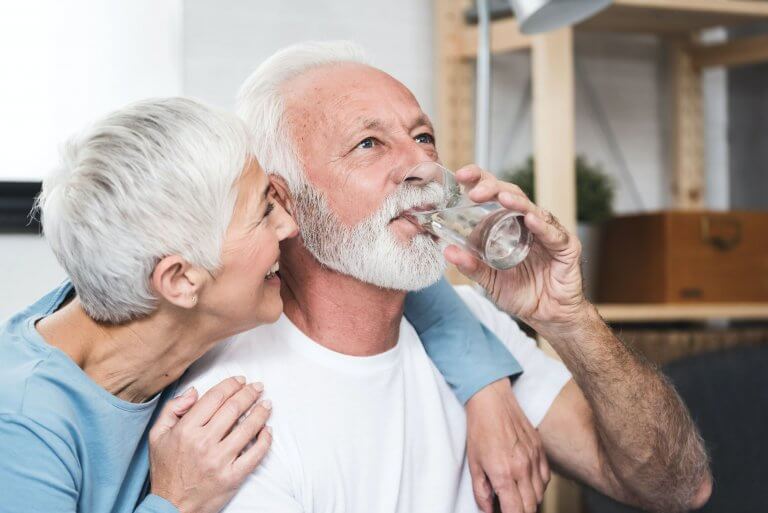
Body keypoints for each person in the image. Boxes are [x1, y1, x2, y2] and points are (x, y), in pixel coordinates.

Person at [182, 41, 712, 513]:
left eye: (423, 136)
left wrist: (568, 320)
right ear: (284, 200)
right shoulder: (231, 413)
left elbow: (677, 489)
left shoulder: (476, 328)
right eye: (369, 143)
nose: (421, 164)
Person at [0, 97, 531, 513]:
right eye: (263, 213)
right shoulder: (22, 429)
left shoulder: (135, 300)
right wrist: (175, 502)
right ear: (181, 279)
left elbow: (379, 269)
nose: (289, 226)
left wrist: (483, 386)